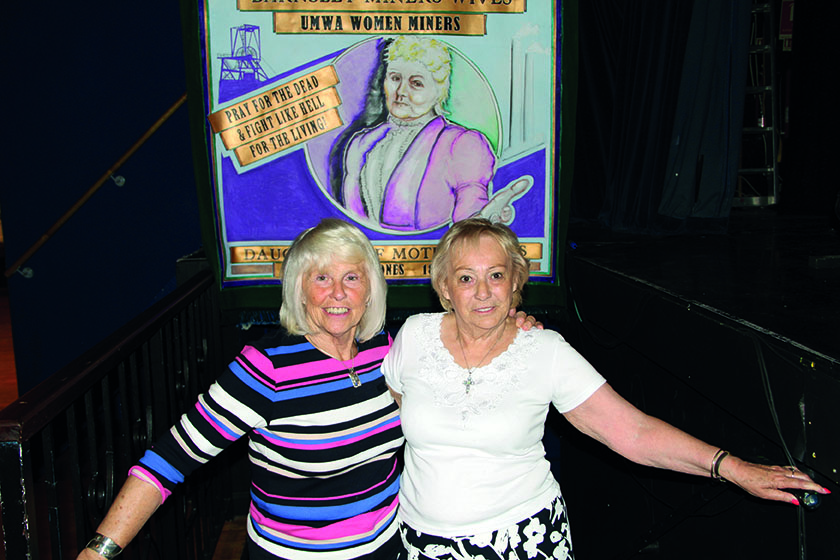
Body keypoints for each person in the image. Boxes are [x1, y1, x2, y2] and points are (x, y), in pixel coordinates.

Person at [79, 218, 540, 560]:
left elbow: (470, 356)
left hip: (388, 548)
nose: (338, 293)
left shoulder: (393, 351)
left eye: (352, 278)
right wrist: (99, 551)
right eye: (322, 278)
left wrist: (512, 326)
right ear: (300, 291)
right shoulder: (265, 368)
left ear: (370, 290)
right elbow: (172, 458)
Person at [382, 218, 830, 560]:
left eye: (496, 275)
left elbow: (632, 432)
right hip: (422, 542)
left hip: (521, 541)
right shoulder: (415, 337)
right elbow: (396, 410)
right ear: (444, 287)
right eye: (466, 278)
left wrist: (732, 468)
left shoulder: (545, 351)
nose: (483, 292)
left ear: (516, 283)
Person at [337, 36, 530, 232]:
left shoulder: (463, 143)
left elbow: (469, 217)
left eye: (416, 83)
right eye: (395, 78)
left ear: (439, 90)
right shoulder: (360, 143)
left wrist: (484, 219)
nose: (401, 91)